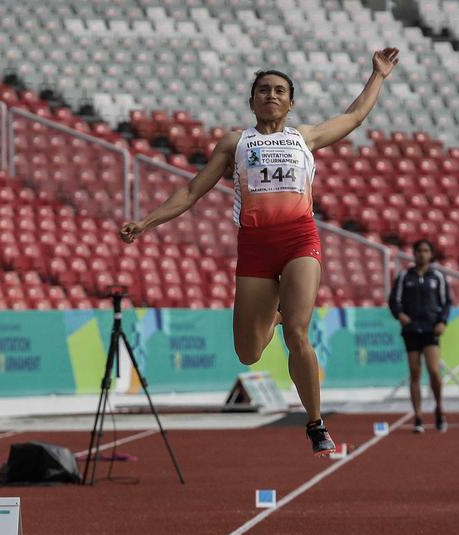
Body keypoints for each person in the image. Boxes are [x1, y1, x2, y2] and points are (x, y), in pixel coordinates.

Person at [120, 49, 401, 455]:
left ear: (291, 102)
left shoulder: (303, 137)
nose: (271, 95)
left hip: (299, 239)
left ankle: (315, 423)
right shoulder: (236, 142)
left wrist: (378, 75)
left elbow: (354, 116)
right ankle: (281, 311)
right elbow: (190, 191)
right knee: (249, 353)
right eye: (263, 90)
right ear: (251, 101)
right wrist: (146, 222)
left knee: (298, 333)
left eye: (279, 90)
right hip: (254, 248)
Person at [388, 239, 451, 433]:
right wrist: (400, 315)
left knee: (434, 371)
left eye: (426, 250)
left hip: (431, 328)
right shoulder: (405, 276)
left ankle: (439, 407)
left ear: (431, 254)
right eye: (419, 251)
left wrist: (442, 321)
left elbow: (446, 302)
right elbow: (394, 300)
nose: (422, 254)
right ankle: (418, 415)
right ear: (414, 254)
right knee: (415, 372)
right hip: (411, 329)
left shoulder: (438, 277)